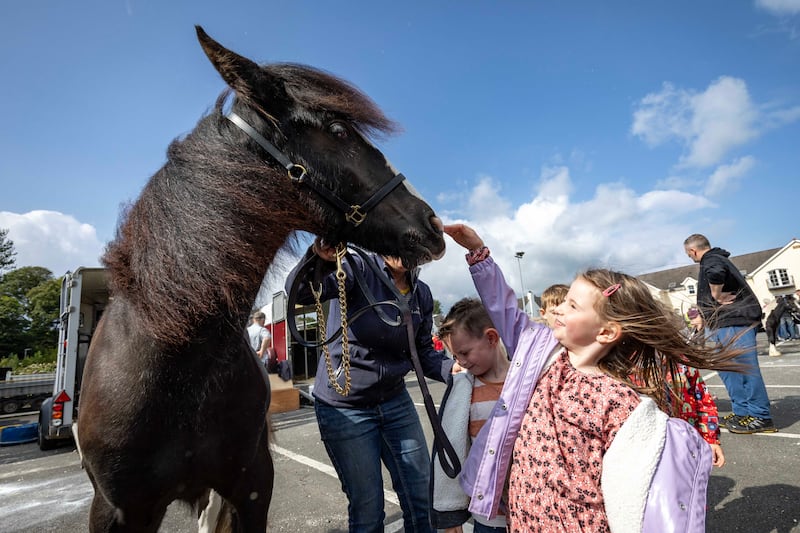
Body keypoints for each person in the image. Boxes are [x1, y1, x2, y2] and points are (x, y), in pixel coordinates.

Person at [445, 223, 742, 532]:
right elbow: (502, 306)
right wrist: (477, 253)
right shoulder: (541, 358)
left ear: (605, 332)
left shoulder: (619, 399)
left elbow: (637, 491)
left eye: (572, 305)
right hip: (522, 521)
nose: (558, 309)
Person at [285, 239, 453, 533]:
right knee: (368, 509)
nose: (402, 249)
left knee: (422, 499)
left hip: (395, 400)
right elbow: (301, 293)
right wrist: (318, 258)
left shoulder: (421, 294)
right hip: (345, 407)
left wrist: (460, 372)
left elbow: (424, 351)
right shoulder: (354, 268)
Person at [430, 298, 510, 533]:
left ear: (491, 338)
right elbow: (453, 448)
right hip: (489, 519)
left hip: (534, 511)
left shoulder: (525, 381)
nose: (461, 362)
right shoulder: (463, 390)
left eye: (465, 352)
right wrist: (451, 512)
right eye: (455, 356)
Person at [684, 234, 776, 434]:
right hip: (721, 322)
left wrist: (716, 296)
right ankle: (742, 412)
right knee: (729, 371)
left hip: (734, 320)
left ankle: (760, 416)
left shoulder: (712, 258)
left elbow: (716, 273)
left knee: (743, 369)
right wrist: (703, 314)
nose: (689, 257)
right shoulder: (714, 259)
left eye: (688, 254)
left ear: (692, 251)